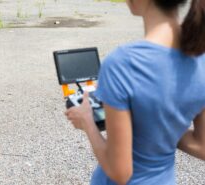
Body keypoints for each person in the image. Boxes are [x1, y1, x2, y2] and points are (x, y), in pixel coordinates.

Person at [65, 0, 205, 184]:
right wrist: (157, 128)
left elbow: (120, 173)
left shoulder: (123, 63)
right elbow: (201, 146)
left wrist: (87, 122)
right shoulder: (200, 58)